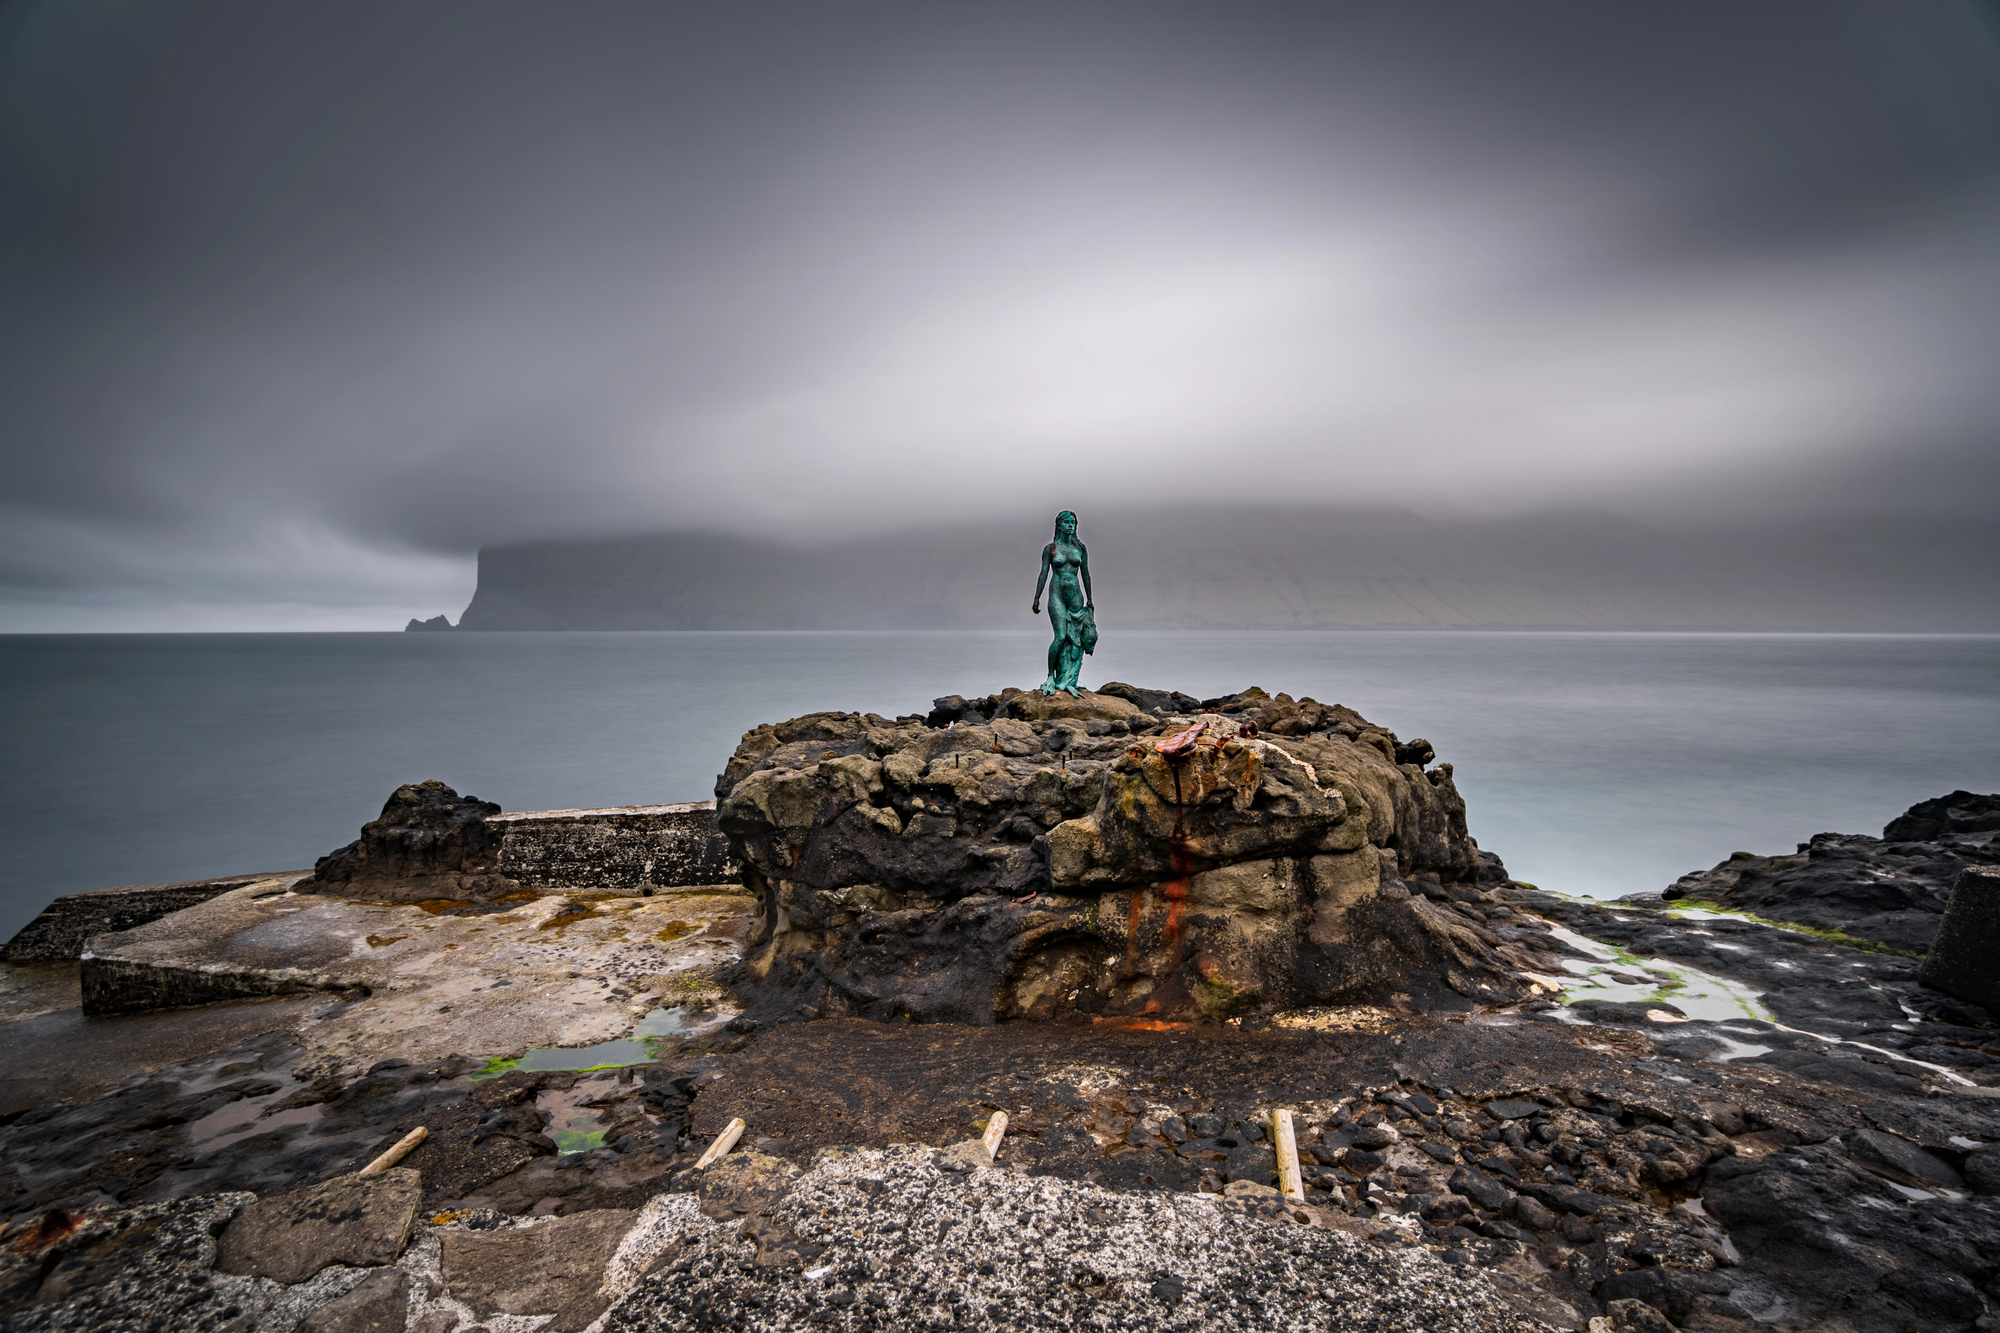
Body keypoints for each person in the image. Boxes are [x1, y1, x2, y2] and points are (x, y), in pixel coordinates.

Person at [1030, 510, 1095, 697]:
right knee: (1060, 636)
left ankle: (1069, 678)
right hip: (1057, 594)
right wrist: (1037, 597)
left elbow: (1085, 573)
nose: (1071, 525)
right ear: (1059, 525)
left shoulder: (1080, 548)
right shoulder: (1051, 549)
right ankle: (1051, 676)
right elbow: (1043, 573)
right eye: (1067, 522)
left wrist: (1090, 598)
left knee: (1075, 638)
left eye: (1073, 522)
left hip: (1075, 595)